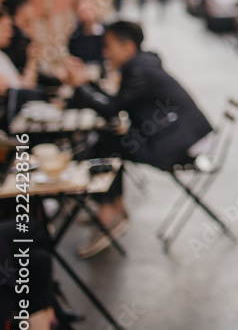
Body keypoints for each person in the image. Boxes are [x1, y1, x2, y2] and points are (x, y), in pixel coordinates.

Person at [58, 21, 213, 259]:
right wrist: (85, 85)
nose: (105, 53)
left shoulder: (139, 71)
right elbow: (116, 105)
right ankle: (112, 208)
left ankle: (109, 212)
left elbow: (111, 109)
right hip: (183, 135)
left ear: (128, 47)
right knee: (110, 140)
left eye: (108, 47)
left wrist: (80, 85)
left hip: (184, 143)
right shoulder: (141, 66)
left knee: (109, 143)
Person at [0, 7, 39, 94]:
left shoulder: (3, 57)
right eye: (4, 28)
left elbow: (24, 87)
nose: (10, 33)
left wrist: (32, 60)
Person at [67, 0, 106, 72]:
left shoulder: (107, 32)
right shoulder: (75, 37)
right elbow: (74, 58)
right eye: (82, 11)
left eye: (89, 9)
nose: (87, 14)